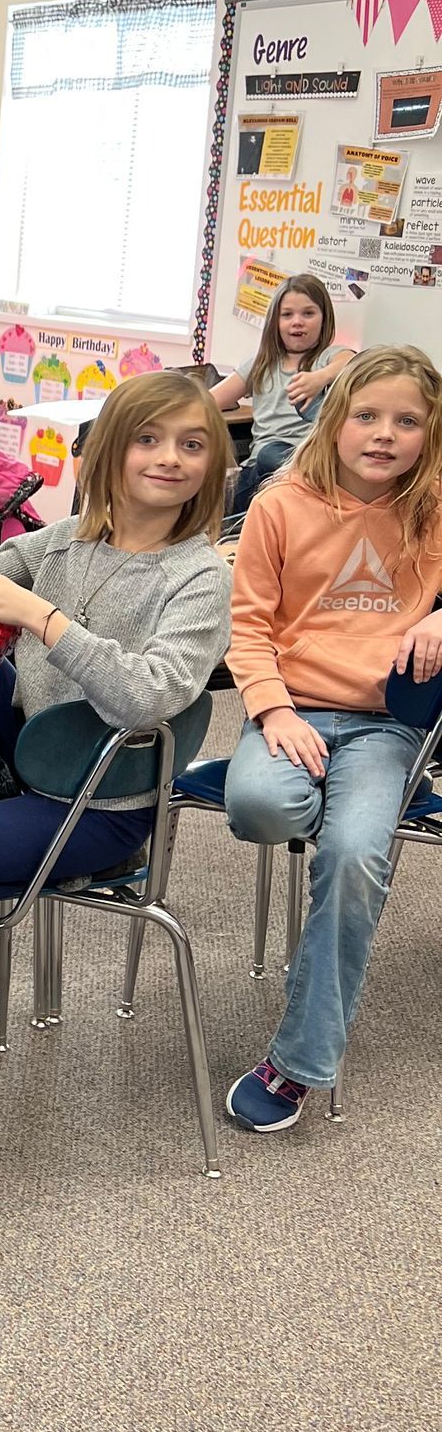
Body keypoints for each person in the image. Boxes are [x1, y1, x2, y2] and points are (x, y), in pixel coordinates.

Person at [0, 372, 234, 898]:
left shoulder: (201, 576)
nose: (170, 457)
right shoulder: (67, 539)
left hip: (101, 798)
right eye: (147, 439)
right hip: (29, 751)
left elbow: (148, 699)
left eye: (191, 445)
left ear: (210, 465)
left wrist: (45, 620)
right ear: (107, 450)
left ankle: (87, 859)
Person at [220, 345, 442, 1131]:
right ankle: (354, 828)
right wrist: (274, 712)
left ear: (428, 432)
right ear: (334, 419)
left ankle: (298, 1063)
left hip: (386, 727)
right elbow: (245, 628)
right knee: (259, 808)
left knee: (352, 856)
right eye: (368, 415)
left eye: (407, 421)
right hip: (293, 709)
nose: (385, 435)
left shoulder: (433, 503)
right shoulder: (280, 503)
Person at [209, 273, 352, 519]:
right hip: (261, 468)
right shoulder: (261, 364)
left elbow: (353, 361)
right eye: (287, 315)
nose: (298, 322)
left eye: (308, 313)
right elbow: (209, 401)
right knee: (246, 472)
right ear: (275, 321)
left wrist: (320, 377)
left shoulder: (328, 358)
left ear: (324, 319)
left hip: (308, 465)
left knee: (276, 459)